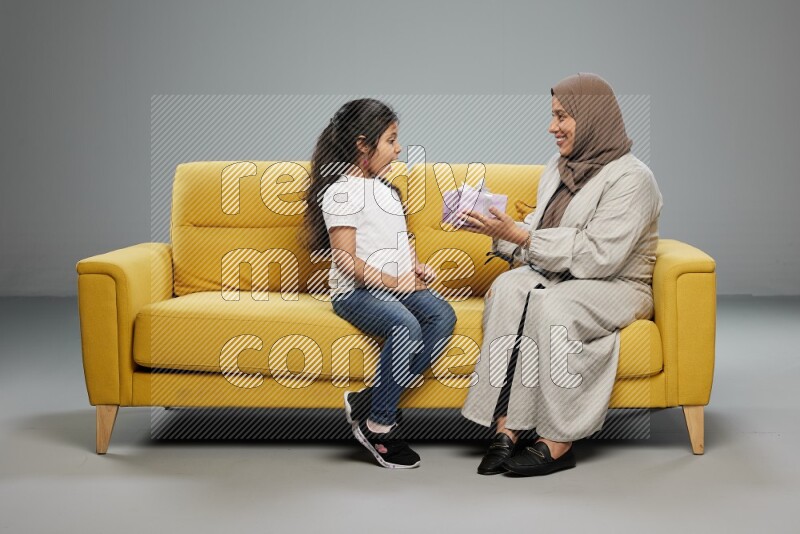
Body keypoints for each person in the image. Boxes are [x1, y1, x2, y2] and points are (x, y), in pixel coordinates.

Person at [458, 73, 663, 476]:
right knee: (507, 288)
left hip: (617, 284)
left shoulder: (633, 178)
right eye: (553, 116)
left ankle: (557, 438)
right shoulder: (558, 166)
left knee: (552, 306)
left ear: (591, 118)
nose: (552, 127)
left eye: (562, 116)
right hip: (567, 275)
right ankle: (508, 425)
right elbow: (542, 227)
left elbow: (600, 255)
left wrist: (521, 235)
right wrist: (498, 233)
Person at [304, 98, 457, 469]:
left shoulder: (386, 191)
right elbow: (344, 259)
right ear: (362, 144)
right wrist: (394, 281)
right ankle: (379, 424)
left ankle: (369, 399)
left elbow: (390, 246)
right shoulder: (341, 191)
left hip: (391, 285)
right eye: (390, 139)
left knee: (442, 316)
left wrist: (415, 268)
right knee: (405, 325)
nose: (399, 148)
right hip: (354, 292)